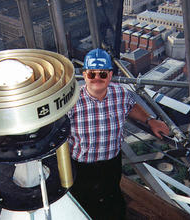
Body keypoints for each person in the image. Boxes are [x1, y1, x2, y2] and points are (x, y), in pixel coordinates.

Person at [67, 48, 169, 220]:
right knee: (84, 208)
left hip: (111, 164)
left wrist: (150, 120)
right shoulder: (72, 101)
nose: (97, 79)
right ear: (84, 75)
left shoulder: (119, 93)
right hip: (82, 169)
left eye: (102, 74)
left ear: (110, 75)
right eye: (92, 74)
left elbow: (131, 106)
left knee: (114, 204)